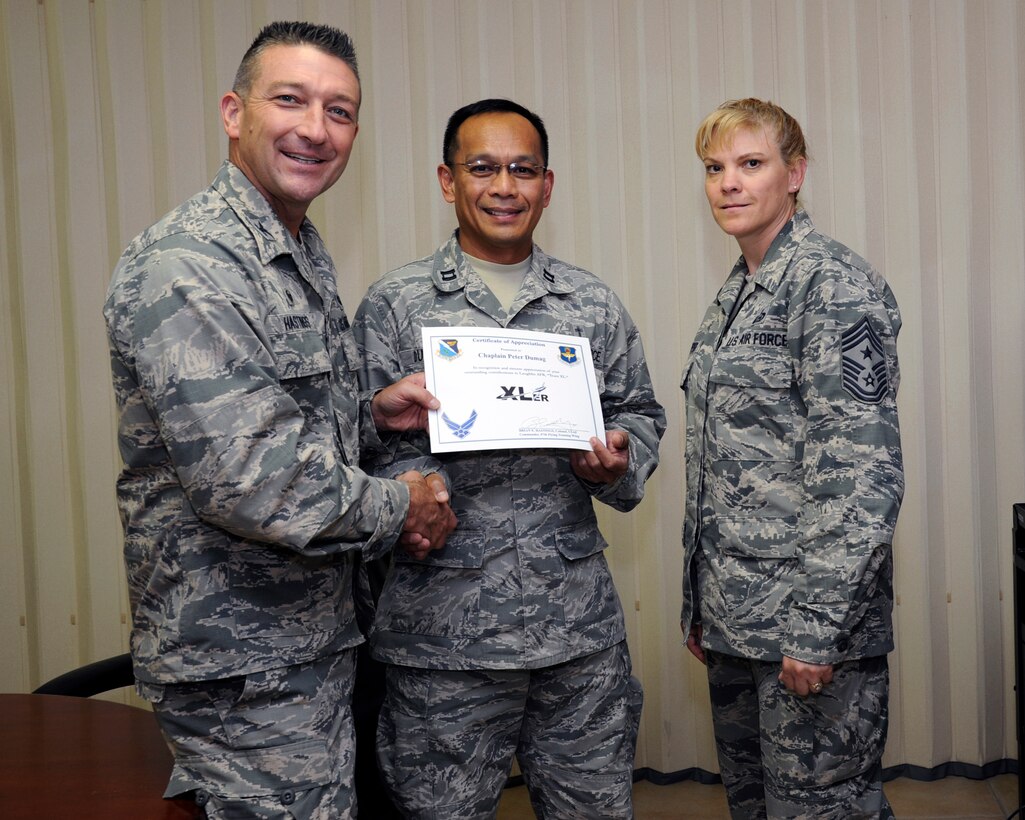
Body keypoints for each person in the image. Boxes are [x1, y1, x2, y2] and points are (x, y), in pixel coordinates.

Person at [103, 21, 455, 819]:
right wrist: (405, 506)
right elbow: (253, 479)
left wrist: (368, 411)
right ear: (234, 112)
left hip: (302, 643)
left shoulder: (293, 247)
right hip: (244, 664)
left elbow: (276, 421)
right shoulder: (191, 264)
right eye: (289, 100)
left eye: (339, 111)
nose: (314, 129)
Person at [353, 98, 666, 818]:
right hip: (442, 642)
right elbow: (348, 440)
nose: (504, 187)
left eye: (522, 170)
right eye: (483, 168)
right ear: (446, 180)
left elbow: (639, 415)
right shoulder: (395, 305)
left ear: (546, 185)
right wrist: (401, 480)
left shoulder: (588, 304)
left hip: (575, 638)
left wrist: (619, 460)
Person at [680, 97, 904, 819]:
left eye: (750, 164)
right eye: (714, 168)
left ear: (795, 173)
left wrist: (815, 626)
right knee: (756, 807)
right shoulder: (737, 292)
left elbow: (860, 476)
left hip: (807, 629)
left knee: (821, 811)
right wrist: (701, 606)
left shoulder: (829, 284)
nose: (728, 184)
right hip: (739, 623)